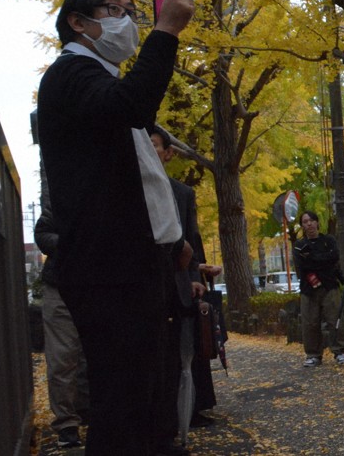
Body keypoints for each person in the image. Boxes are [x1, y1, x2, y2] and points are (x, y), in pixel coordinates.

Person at [37, 0, 197, 455]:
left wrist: (171, 240)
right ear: (78, 22)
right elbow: (131, 104)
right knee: (123, 399)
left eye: (131, 11)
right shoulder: (70, 75)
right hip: (108, 269)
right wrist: (166, 30)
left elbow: (138, 176)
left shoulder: (98, 75)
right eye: (112, 9)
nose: (126, 21)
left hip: (135, 263)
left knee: (149, 392)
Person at [149, 124, 208, 454]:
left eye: (155, 146)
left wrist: (195, 274)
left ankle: (176, 429)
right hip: (144, 286)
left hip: (178, 284)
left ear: (168, 153)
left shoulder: (183, 193)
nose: (150, 151)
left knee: (179, 361)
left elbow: (192, 239)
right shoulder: (126, 187)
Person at [33, 176, 89, 450]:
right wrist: (70, 243)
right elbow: (42, 234)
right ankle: (67, 423)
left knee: (97, 353)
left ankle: (92, 411)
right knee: (63, 356)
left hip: (101, 286)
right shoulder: (62, 194)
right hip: (61, 284)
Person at [294, 211, 344, 367]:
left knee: (335, 319)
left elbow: (334, 257)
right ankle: (313, 354)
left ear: (317, 222)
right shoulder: (299, 245)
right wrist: (322, 260)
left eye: (311, 220)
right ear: (302, 226)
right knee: (310, 322)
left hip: (330, 285)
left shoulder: (328, 240)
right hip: (308, 288)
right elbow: (302, 266)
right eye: (305, 221)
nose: (309, 224)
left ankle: (339, 351)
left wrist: (313, 258)